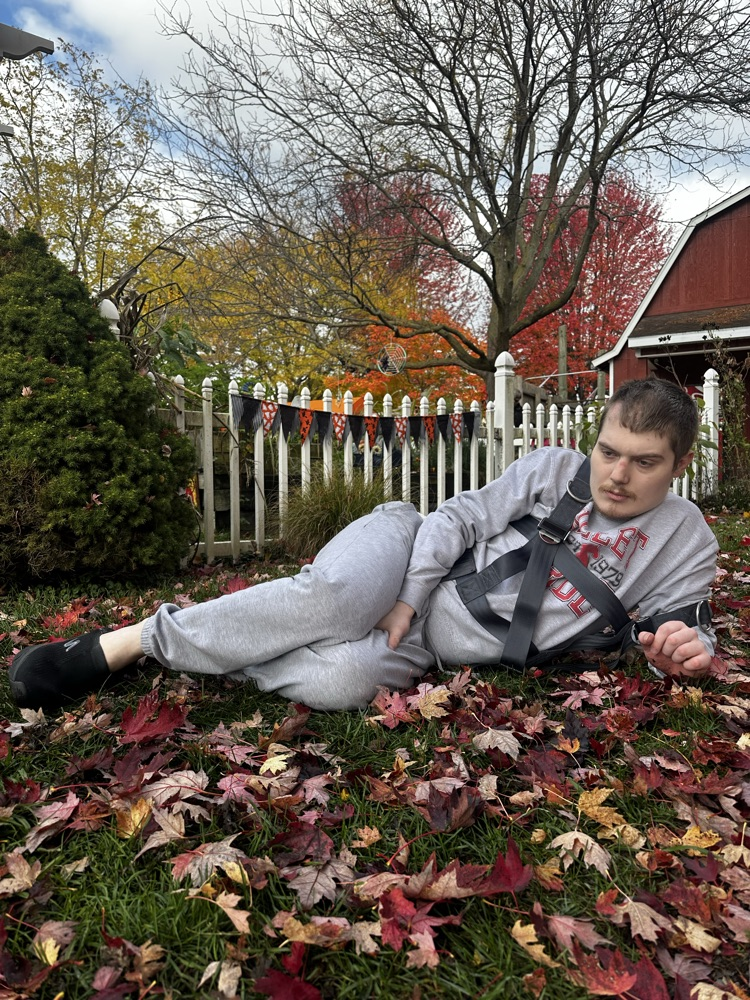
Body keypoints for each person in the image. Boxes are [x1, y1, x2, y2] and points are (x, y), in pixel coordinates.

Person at [9, 378, 718, 714]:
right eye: (609, 451)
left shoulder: (686, 540)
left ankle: (234, 643)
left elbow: (682, 631)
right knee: (338, 598)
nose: (616, 474)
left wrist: (683, 655)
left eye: (644, 462)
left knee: (340, 683)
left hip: (437, 653)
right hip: (408, 546)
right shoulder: (555, 470)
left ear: (678, 463)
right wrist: (409, 598)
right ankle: (130, 643)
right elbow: (456, 518)